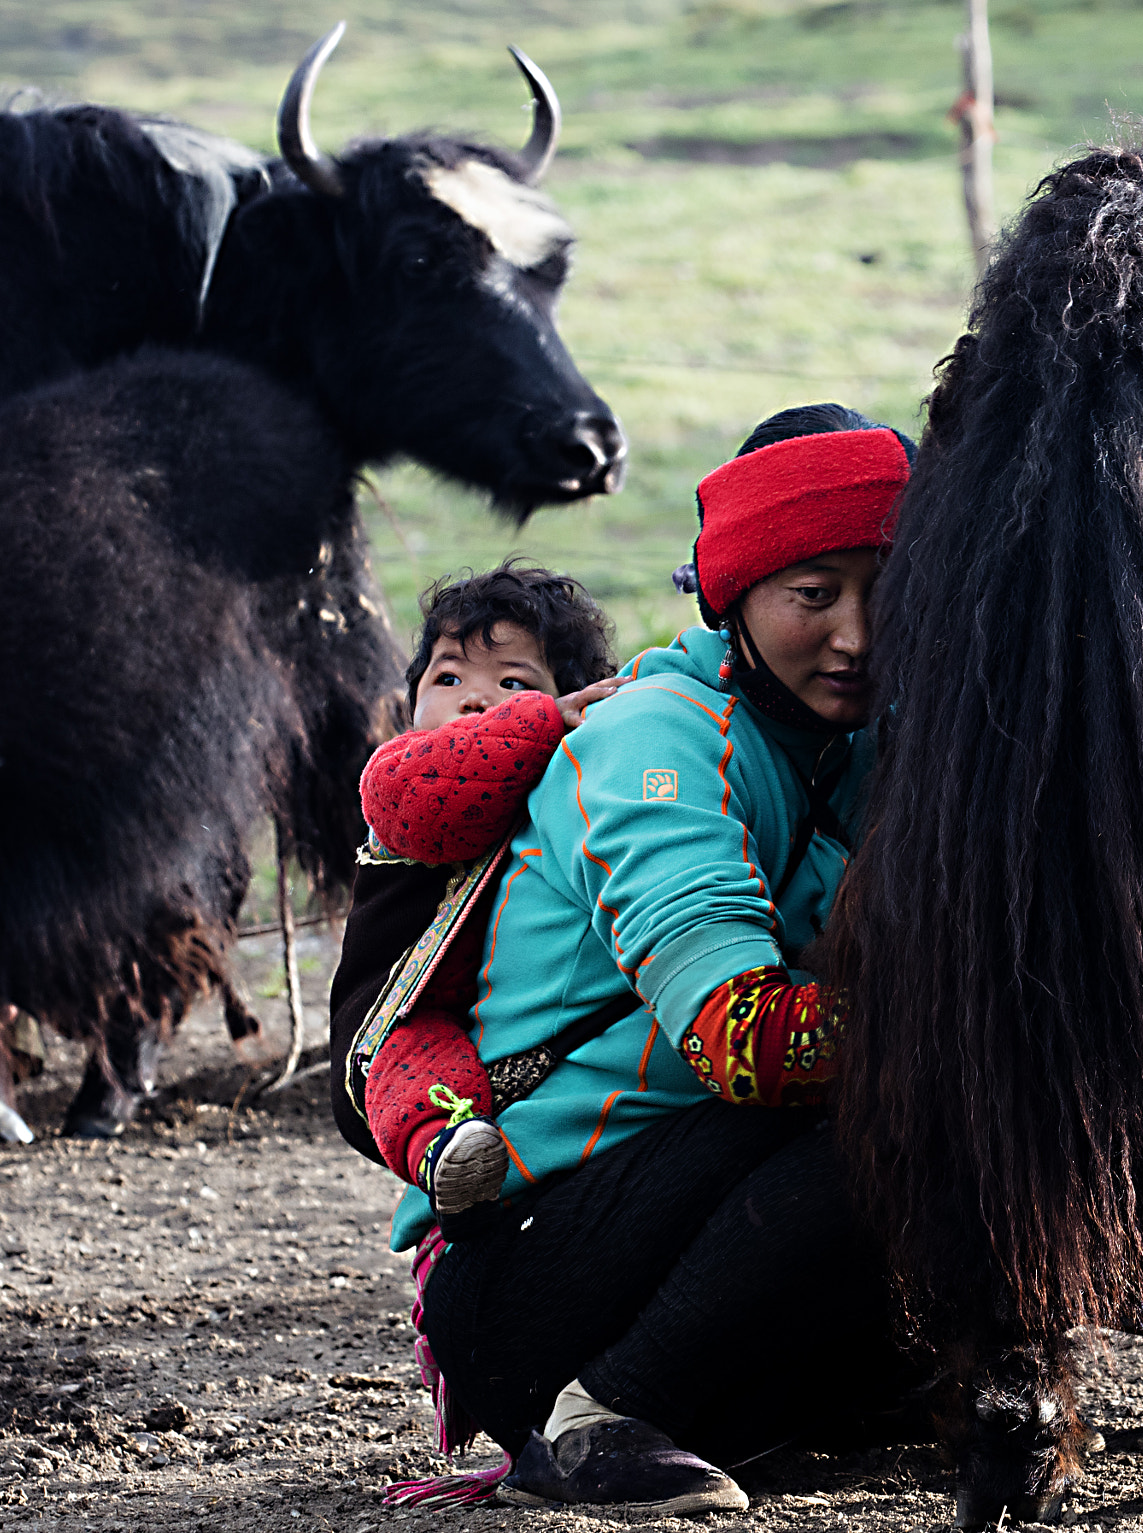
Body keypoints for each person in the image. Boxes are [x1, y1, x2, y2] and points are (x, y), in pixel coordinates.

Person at [390, 404, 920, 1516]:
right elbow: (748, 1042)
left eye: (888, 590)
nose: (857, 637)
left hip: (704, 1226)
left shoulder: (866, 747)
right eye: (811, 594)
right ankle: (597, 1420)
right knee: (915, 1109)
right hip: (531, 1268)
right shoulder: (656, 738)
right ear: (730, 594)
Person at [329, 564, 623, 1220]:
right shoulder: (398, 775)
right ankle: (448, 1153)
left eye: (513, 682)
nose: (474, 699)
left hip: (512, 1015)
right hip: (405, 1008)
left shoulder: (561, 793)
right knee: (419, 1069)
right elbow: (442, 800)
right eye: (450, 677)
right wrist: (538, 717)